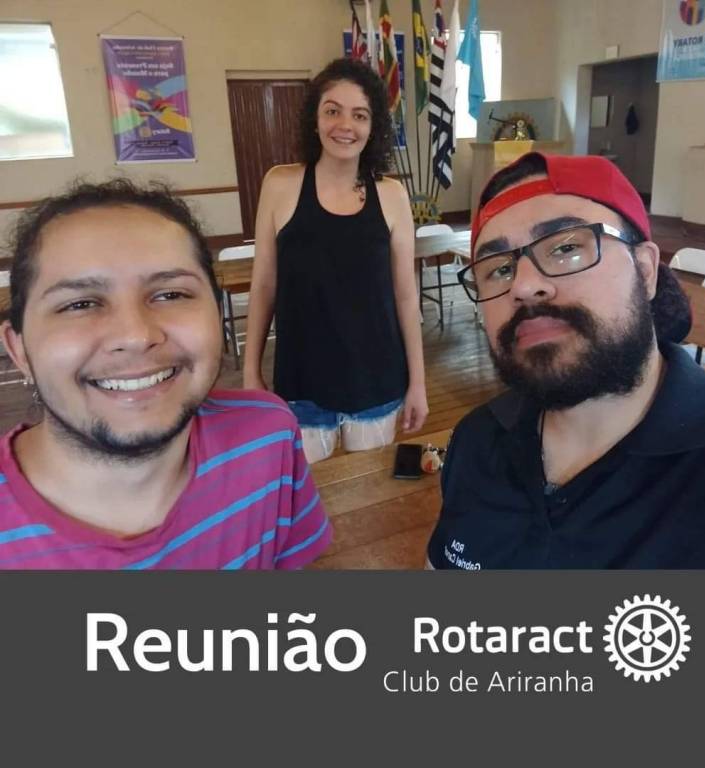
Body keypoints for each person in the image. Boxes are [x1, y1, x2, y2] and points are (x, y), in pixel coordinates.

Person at [427, 152, 705, 569]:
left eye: (566, 247)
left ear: (645, 271)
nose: (524, 285)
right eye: (498, 270)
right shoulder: (476, 441)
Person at [0, 179, 331, 569]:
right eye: (80, 304)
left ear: (217, 314)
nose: (136, 336)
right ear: (18, 349)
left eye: (171, 294)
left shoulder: (268, 437)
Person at [243, 58, 428, 463]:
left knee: (367, 493)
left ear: (373, 127)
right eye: (333, 111)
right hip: (302, 379)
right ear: (314, 118)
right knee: (310, 494)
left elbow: (405, 296)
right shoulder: (280, 184)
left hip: (376, 379)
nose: (345, 125)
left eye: (359, 115)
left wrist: (418, 382)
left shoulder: (392, 195)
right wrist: (250, 372)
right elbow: (264, 285)